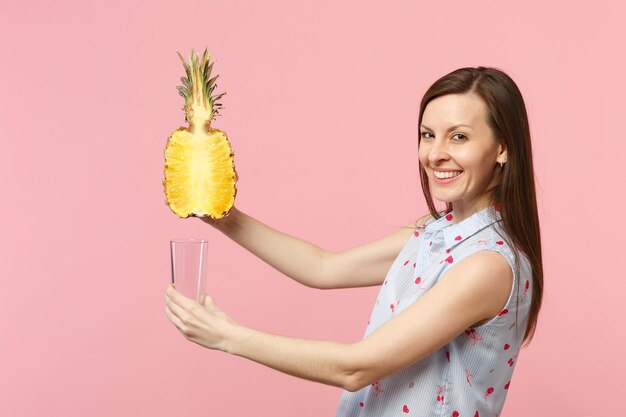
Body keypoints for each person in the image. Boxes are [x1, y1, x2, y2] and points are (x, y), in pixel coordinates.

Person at [164, 66, 543, 416]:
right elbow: (323, 267)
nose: (436, 153)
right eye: (427, 135)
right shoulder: (433, 233)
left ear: (502, 148)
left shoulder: (487, 265)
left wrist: (227, 336)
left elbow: (356, 367)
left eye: (458, 136)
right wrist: (221, 216)